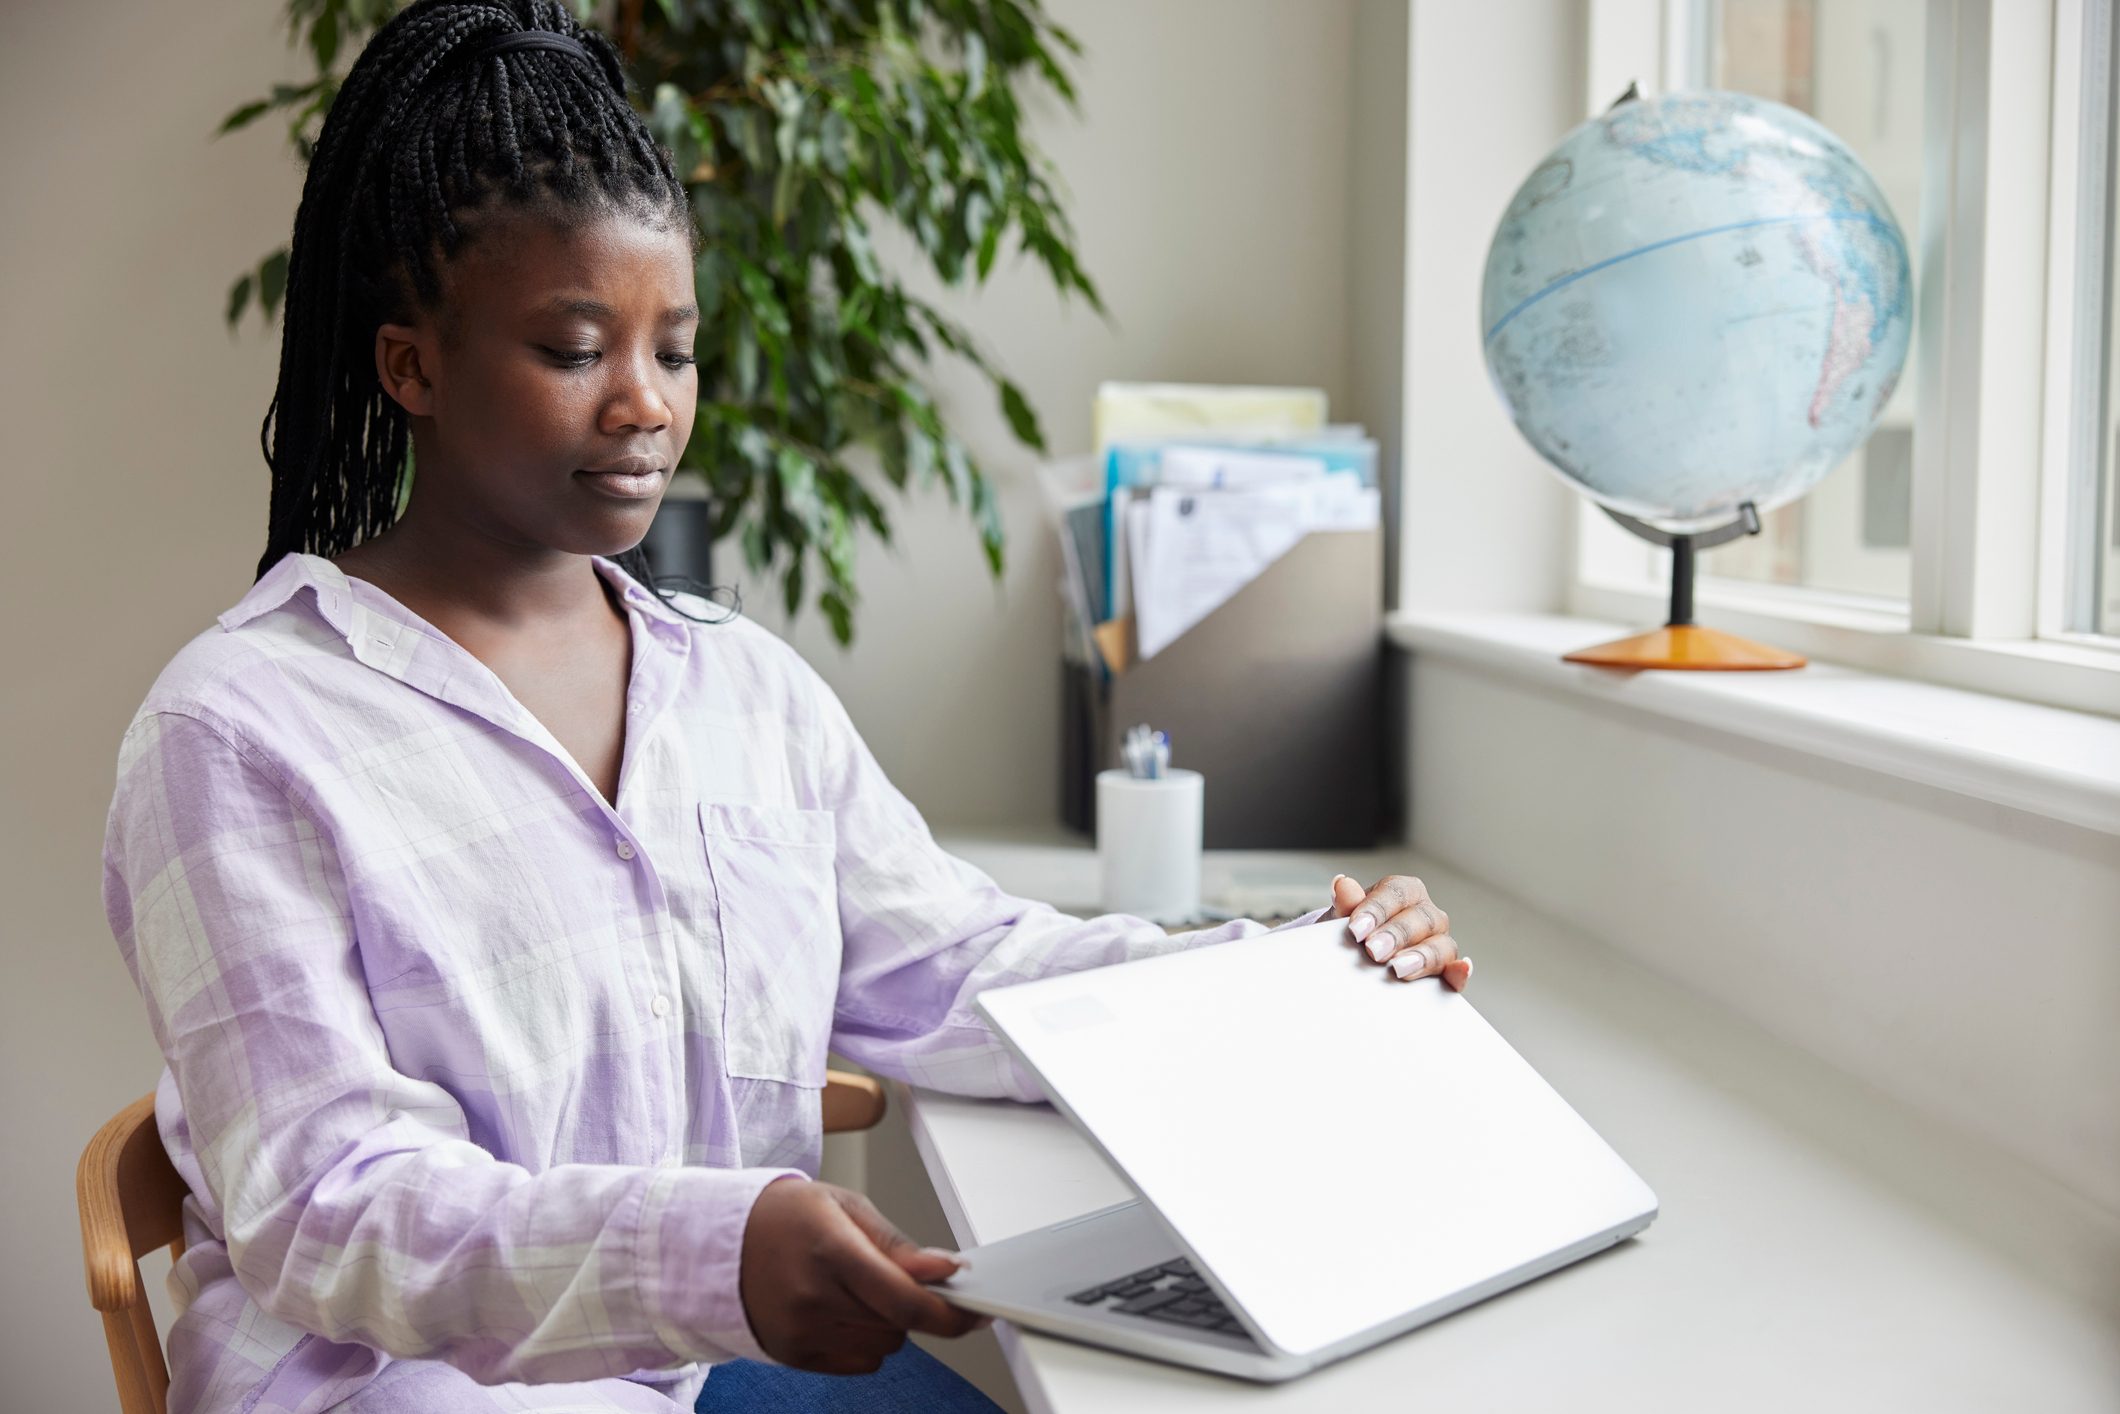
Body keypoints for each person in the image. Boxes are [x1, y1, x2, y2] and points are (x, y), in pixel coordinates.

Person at [100, 3, 1470, 1410]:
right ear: (414, 367)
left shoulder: (741, 691)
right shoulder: (240, 731)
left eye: (674, 350)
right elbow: (330, 1206)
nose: (644, 403)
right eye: (576, 349)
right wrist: (711, 1251)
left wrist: (1281, 972)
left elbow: (957, 966)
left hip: (701, 1367)